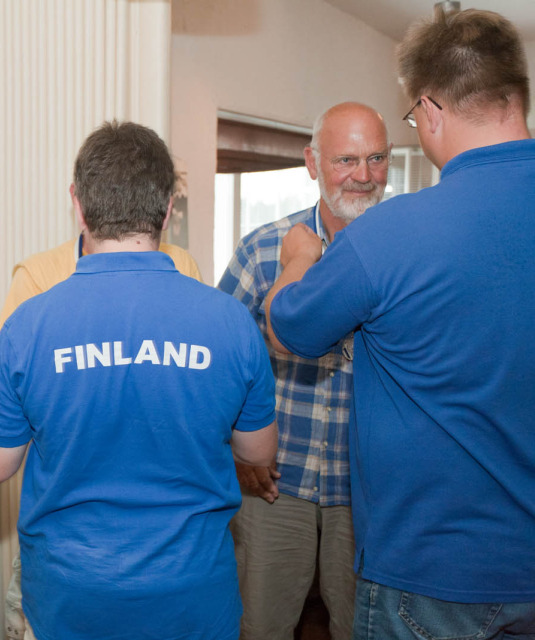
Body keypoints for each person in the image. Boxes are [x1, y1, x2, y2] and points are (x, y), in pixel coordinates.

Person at [265, 8, 535, 638]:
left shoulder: (394, 232)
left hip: (429, 572)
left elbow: (289, 327)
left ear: (431, 110)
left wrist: (298, 259)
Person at [0, 121, 279, 640]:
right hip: (192, 593)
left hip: (71, 595)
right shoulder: (230, 321)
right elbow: (258, 451)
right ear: (167, 209)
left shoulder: (29, 324)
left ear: (79, 204)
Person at [0, 147, 203, 640]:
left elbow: (196, 392)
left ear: (78, 201)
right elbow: (11, 406)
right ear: (167, 208)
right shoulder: (37, 277)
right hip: (67, 543)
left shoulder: (183, 266)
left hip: (170, 536)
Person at [217, 101, 390, 640]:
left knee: (364, 630)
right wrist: (237, 448)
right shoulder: (263, 250)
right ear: (313, 163)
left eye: (377, 158)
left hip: (370, 492)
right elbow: (222, 363)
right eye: (346, 160)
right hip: (275, 483)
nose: (364, 175)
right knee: (259, 626)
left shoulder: (406, 252)